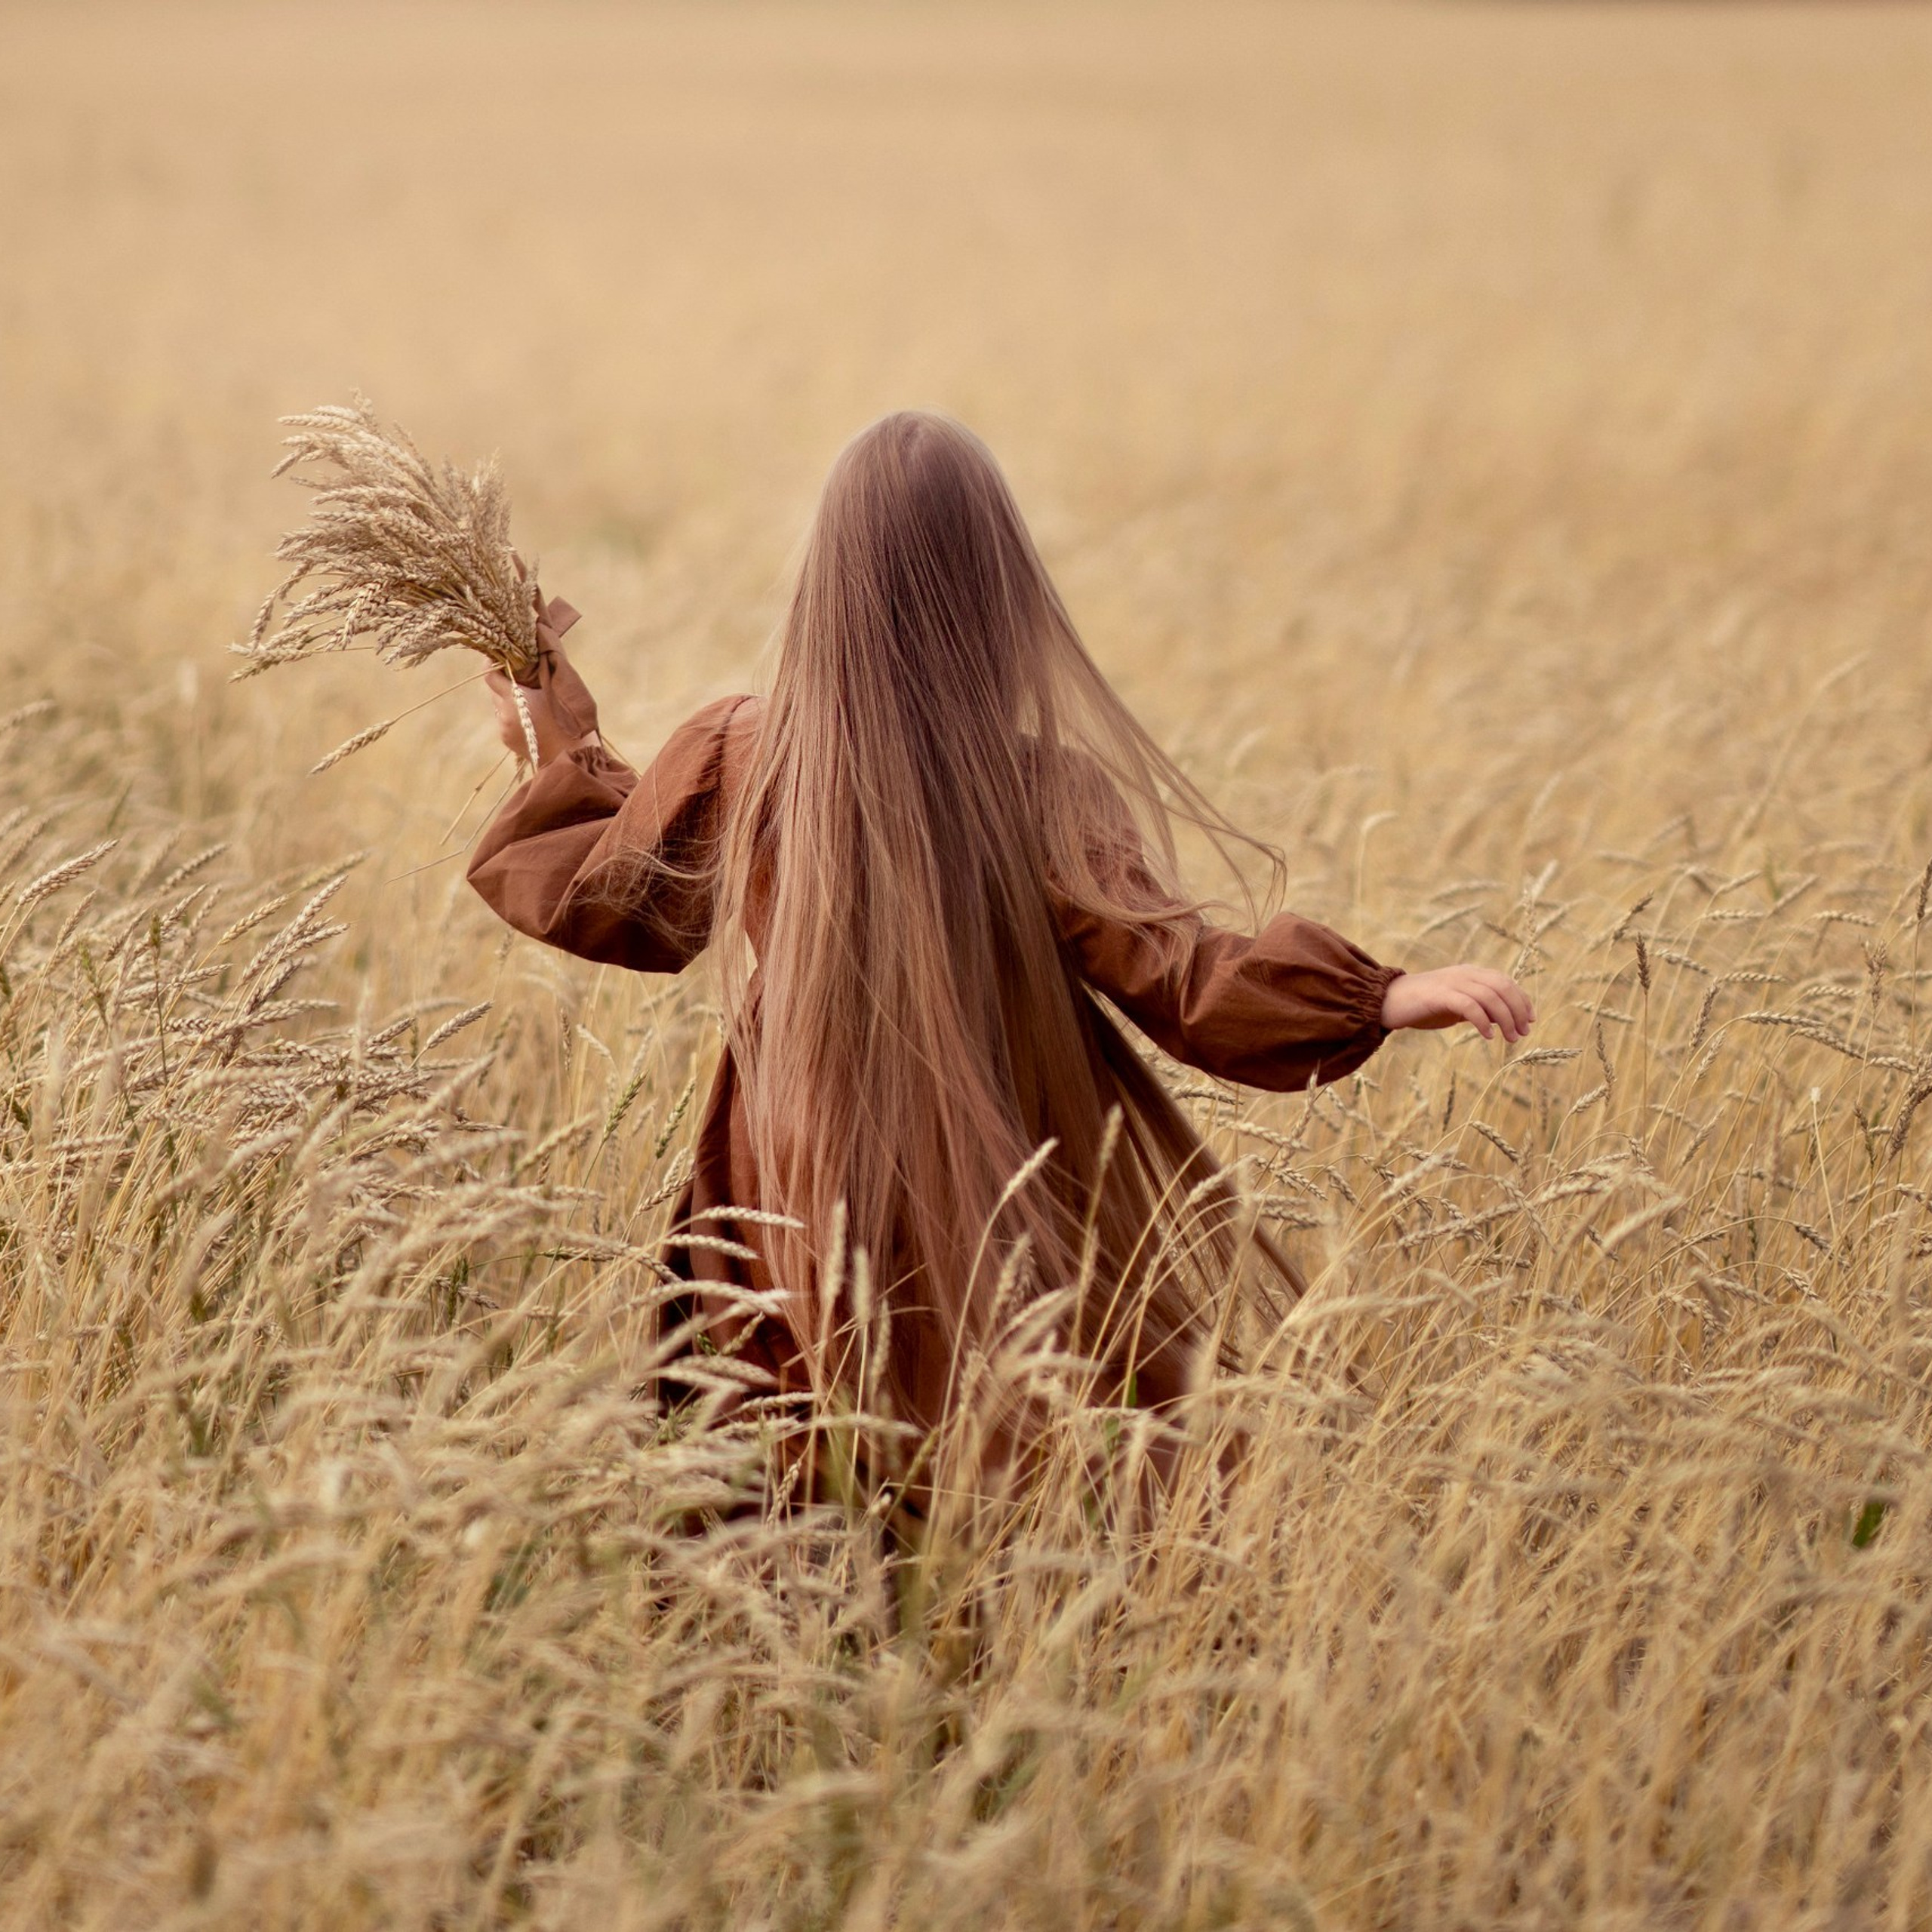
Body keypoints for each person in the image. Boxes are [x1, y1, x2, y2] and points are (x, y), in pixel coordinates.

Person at [468, 411, 1532, 1500]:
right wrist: (1384, 993)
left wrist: (558, 747)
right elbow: (1177, 970)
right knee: (1002, 1427)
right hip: (989, 1152)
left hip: (788, 1157)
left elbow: (614, 900)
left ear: (824, 593)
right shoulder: (1037, 789)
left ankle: (822, 1652)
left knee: (795, 1425)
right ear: (1000, 599)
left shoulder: (740, 752)